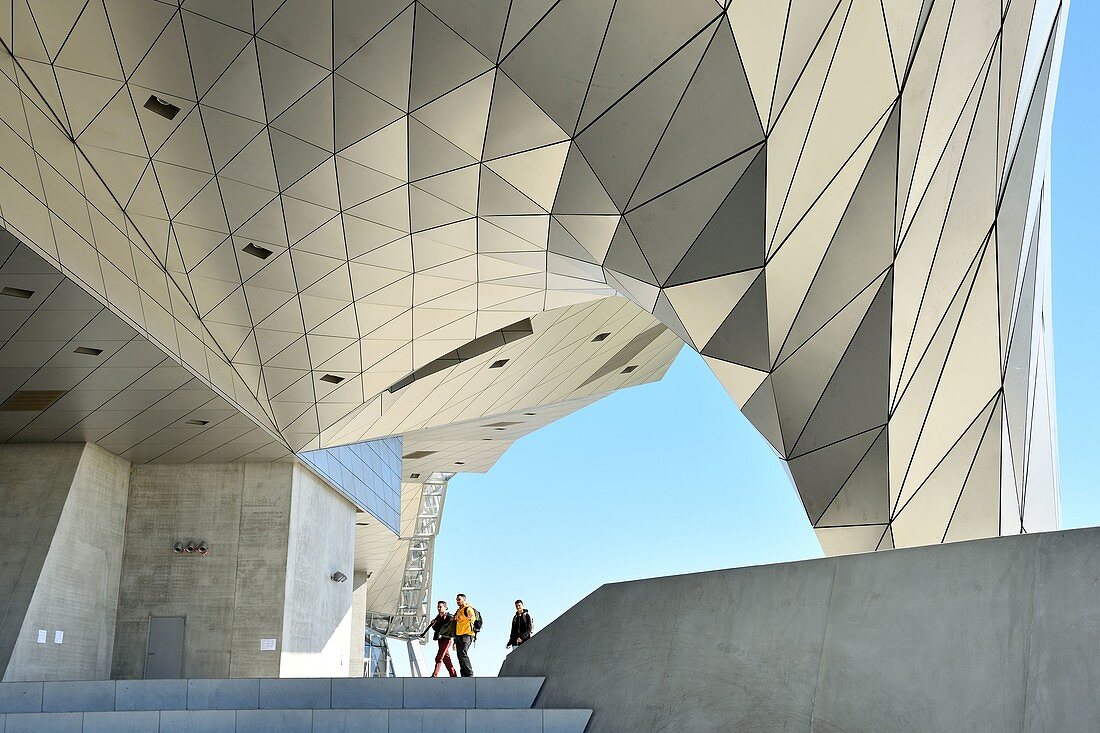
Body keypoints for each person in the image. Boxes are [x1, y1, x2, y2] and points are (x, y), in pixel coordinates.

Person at [419, 600, 457, 677]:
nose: (439, 608)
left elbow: (454, 629)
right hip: (440, 640)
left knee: (439, 657)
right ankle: (453, 675)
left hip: (447, 639)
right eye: (438, 607)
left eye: (440, 607)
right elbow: (437, 629)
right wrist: (433, 624)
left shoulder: (450, 617)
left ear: (445, 607)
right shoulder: (437, 618)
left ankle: (435, 674)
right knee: (446, 659)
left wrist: (455, 642)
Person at [453, 593, 478, 677]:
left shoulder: (468, 609)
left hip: (467, 634)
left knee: (463, 652)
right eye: (457, 599)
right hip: (458, 635)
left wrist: (462, 618)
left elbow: (472, 618)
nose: (457, 601)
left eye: (459, 599)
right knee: (459, 655)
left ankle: (470, 673)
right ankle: (463, 674)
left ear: (464, 599)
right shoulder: (458, 611)